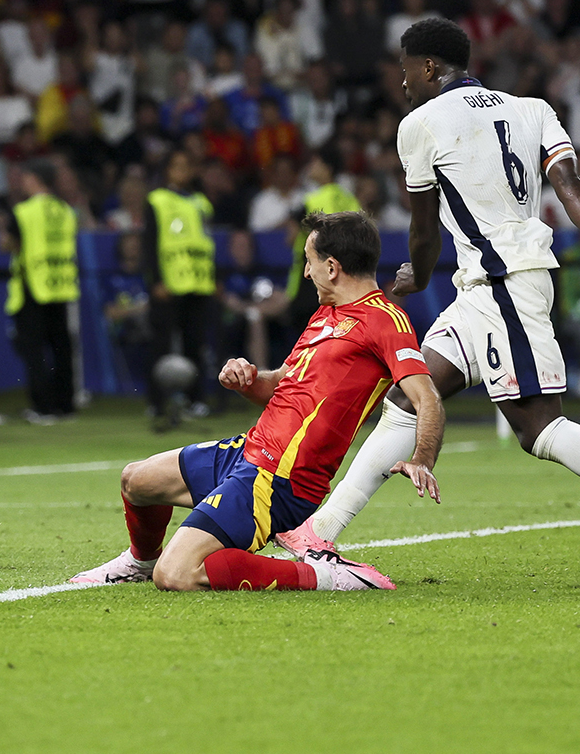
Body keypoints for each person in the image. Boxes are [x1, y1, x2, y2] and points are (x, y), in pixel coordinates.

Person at [278, 18, 580, 584]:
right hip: (486, 286)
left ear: (429, 66)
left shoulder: (421, 123)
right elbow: (570, 186)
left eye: (407, 67)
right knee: (410, 398)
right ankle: (320, 534)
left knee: (539, 429)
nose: (403, 80)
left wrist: (418, 273)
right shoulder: (531, 108)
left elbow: (424, 227)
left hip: (503, 283)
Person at [70, 211, 444, 592]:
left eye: (309, 262)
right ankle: (140, 562)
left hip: (281, 480)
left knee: (177, 574)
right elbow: (281, 383)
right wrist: (246, 379)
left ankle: (326, 576)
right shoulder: (325, 314)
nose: (305, 273)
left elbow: (427, 398)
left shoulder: (386, 321)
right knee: (136, 480)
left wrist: (423, 460)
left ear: (332, 267)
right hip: (250, 453)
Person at [0, 160, 80, 424]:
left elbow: (8, 244)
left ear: (34, 179)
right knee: (61, 347)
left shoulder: (24, 211)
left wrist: (2, 230)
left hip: (32, 287)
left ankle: (43, 407)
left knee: (33, 350)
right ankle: (65, 404)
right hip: (60, 284)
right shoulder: (65, 210)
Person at [144, 150, 216, 428]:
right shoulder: (157, 200)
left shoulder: (201, 202)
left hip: (197, 283)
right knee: (161, 345)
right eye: (176, 166)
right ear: (167, 171)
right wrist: (155, 281)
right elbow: (150, 244)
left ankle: (195, 399)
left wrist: (213, 277)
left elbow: (208, 244)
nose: (182, 171)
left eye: (186, 166)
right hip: (169, 284)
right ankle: (157, 402)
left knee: (195, 345)